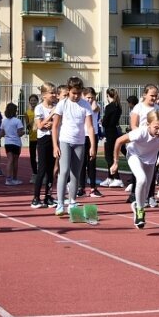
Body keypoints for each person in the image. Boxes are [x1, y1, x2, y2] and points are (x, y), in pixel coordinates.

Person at [110, 109, 159, 228]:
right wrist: (115, 163)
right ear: (148, 124)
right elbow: (118, 141)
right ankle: (139, 211)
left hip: (150, 159)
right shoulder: (140, 132)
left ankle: (138, 204)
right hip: (134, 155)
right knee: (141, 179)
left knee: (146, 192)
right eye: (156, 127)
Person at [51, 76, 96, 216]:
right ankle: (60, 203)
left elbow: (89, 127)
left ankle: (72, 201)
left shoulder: (85, 105)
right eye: (73, 93)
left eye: (78, 93)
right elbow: (55, 126)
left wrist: (93, 146)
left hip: (80, 142)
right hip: (65, 140)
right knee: (63, 171)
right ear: (69, 91)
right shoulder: (62, 104)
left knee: (75, 173)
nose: (76, 96)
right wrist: (55, 146)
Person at [129, 85, 159, 205]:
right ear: (144, 95)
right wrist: (141, 136)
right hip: (140, 142)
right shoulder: (138, 108)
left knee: (152, 170)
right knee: (138, 170)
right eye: (151, 95)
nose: (154, 98)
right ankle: (134, 194)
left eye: (155, 95)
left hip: (153, 144)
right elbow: (133, 125)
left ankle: (150, 196)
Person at [30, 82, 57, 208]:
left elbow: (56, 124)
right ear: (44, 95)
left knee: (51, 170)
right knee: (42, 170)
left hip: (54, 139)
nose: (54, 95)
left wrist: (50, 123)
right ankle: (36, 197)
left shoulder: (57, 106)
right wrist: (51, 116)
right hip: (43, 140)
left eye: (55, 92)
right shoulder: (39, 108)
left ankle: (48, 196)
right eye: (52, 93)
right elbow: (40, 126)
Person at [79, 87, 101, 197]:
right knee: (82, 163)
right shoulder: (80, 106)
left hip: (93, 135)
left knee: (92, 162)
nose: (90, 99)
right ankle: (81, 187)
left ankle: (93, 188)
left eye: (92, 97)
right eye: (87, 97)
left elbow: (95, 108)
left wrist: (93, 100)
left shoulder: (96, 106)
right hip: (82, 136)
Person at [100, 88, 123, 188]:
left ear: (108, 96)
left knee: (108, 156)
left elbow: (105, 122)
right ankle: (110, 177)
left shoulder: (109, 106)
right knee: (111, 155)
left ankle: (117, 178)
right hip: (115, 131)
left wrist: (102, 121)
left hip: (109, 132)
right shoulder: (118, 106)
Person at [0, 102, 24, 185]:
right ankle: (14, 178)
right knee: (15, 160)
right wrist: (23, 132)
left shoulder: (4, 121)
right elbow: (19, 133)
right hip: (16, 142)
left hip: (7, 142)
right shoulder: (17, 121)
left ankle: (8, 178)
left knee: (9, 160)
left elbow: (1, 133)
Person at [25, 94, 39, 182]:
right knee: (32, 157)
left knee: (41, 157)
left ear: (37, 101)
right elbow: (27, 126)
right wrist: (31, 122)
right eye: (31, 100)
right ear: (29, 102)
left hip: (40, 137)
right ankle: (34, 174)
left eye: (34, 100)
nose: (33, 102)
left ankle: (42, 174)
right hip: (32, 138)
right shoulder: (27, 112)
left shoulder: (40, 110)